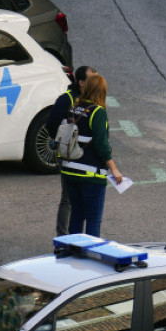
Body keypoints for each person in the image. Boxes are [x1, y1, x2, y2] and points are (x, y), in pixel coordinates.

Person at [59, 75, 123, 236]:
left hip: (70, 171)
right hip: (91, 174)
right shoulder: (98, 112)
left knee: (76, 216)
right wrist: (114, 169)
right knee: (93, 220)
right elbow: (102, 145)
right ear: (102, 91)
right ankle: (89, 256)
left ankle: (73, 252)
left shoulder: (74, 108)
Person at [47, 66, 98, 236]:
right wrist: (65, 142)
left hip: (85, 157)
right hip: (69, 154)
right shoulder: (66, 99)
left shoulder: (93, 99)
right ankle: (63, 239)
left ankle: (75, 238)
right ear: (81, 82)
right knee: (68, 198)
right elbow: (51, 124)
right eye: (92, 79)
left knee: (81, 198)